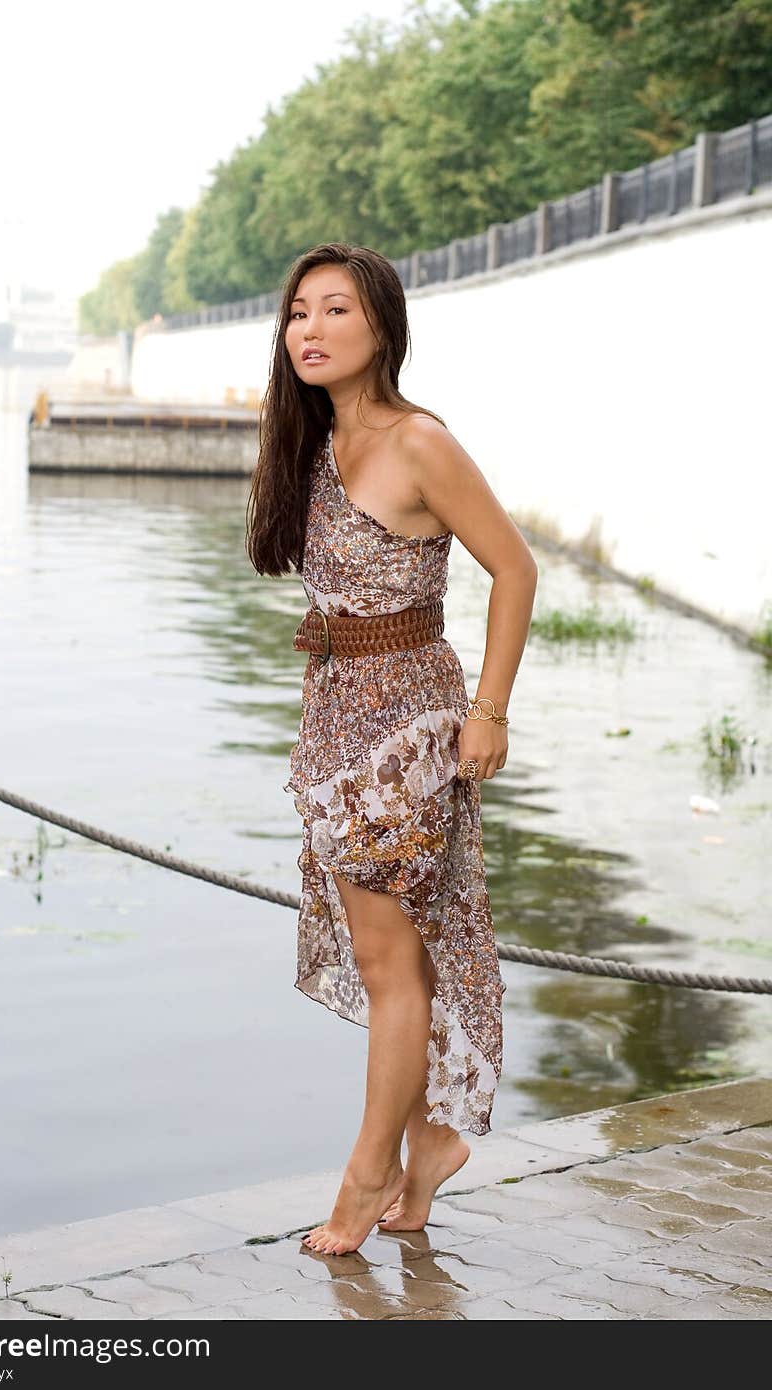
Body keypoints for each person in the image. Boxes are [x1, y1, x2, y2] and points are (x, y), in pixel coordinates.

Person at [245, 242, 538, 1256]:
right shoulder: (307, 442)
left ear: (381, 328)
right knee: (400, 954)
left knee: (387, 961)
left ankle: (368, 1175)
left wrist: (488, 712)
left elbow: (514, 568)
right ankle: (425, 1149)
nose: (310, 330)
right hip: (332, 713)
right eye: (296, 313)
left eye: (334, 310)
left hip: (408, 723)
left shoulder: (420, 442)